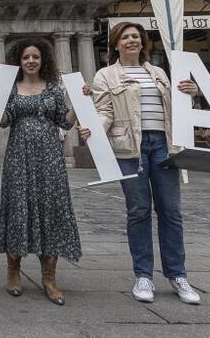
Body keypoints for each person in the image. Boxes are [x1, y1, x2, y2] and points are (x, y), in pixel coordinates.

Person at [83, 21, 202, 305]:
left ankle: (178, 275)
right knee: (138, 211)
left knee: (171, 211)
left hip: (164, 145)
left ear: (142, 42)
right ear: (116, 44)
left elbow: (175, 110)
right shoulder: (105, 75)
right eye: (125, 37)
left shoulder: (159, 73)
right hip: (130, 149)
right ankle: (143, 275)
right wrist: (94, 129)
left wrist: (191, 94)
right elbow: (104, 111)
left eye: (136, 36)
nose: (131, 41)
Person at [0, 38, 90, 305]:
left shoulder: (54, 89)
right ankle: (13, 272)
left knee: (50, 210)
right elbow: (4, 121)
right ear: (18, 62)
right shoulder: (10, 89)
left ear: (43, 60)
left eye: (35, 57)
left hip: (50, 159)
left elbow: (63, 123)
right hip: (18, 158)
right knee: (18, 208)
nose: (30, 61)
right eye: (25, 58)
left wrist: (79, 104)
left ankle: (49, 278)